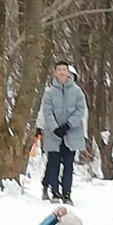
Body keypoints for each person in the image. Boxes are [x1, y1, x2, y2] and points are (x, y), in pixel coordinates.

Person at [41, 60, 87, 204]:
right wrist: (55, 128)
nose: (61, 72)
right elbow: (46, 113)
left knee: (68, 165)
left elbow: (81, 110)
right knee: (53, 164)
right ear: (55, 72)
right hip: (53, 135)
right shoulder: (49, 93)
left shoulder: (77, 91)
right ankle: (55, 192)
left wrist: (68, 125)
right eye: (59, 69)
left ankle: (67, 194)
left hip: (72, 134)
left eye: (64, 70)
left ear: (68, 72)